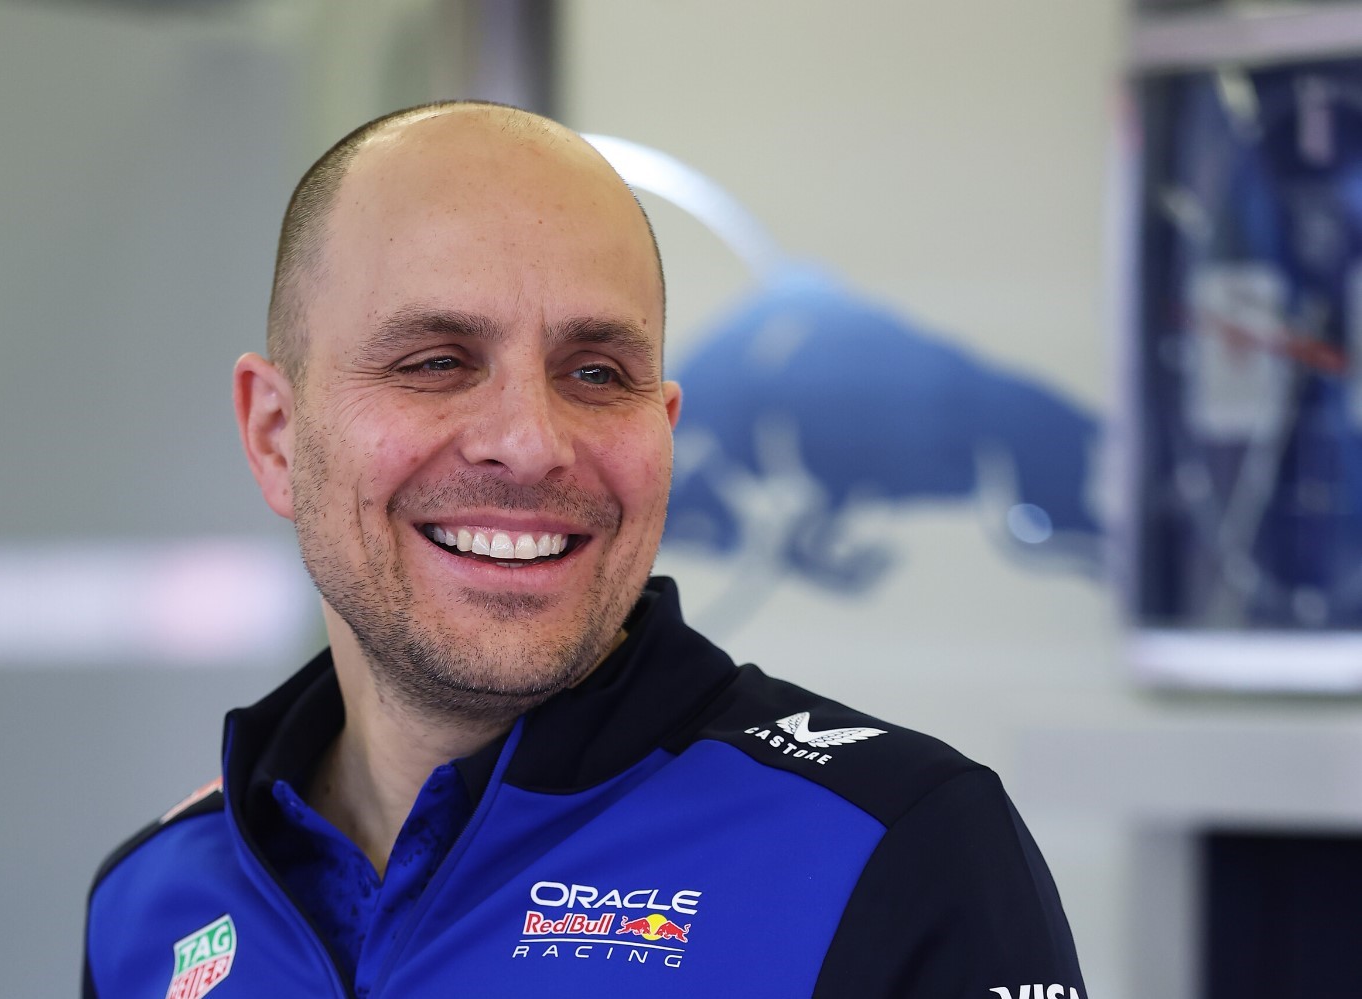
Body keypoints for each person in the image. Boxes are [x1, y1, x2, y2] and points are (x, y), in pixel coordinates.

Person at [83, 101, 1087, 999]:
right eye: (436, 362)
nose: (529, 442)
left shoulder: (895, 852)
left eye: (597, 373)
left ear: (667, 426)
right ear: (276, 435)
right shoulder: (152, 907)